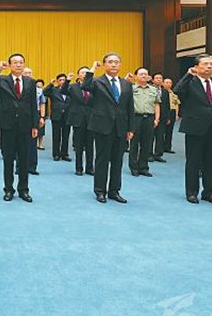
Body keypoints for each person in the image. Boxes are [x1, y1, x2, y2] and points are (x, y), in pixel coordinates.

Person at [175, 54, 212, 205]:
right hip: (195, 127)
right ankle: (192, 192)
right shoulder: (190, 82)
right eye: (205, 64)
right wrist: (188, 75)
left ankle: (209, 193)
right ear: (196, 67)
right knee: (193, 161)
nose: (209, 66)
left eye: (211, 64)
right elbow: (177, 90)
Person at [0, 54, 39, 203]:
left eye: (21, 62)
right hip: (7, 125)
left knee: (24, 159)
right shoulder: (3, 80)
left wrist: (35, 125)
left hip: (25, 125)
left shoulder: (30, 82)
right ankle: (8, 189)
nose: (18, 65)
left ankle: (23, 189)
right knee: (8, 159)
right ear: (10, 65)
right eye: (15, 62)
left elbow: (33, 104)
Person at [85, 55, 134, 204]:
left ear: (120, 65)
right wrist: (92, 69)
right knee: (102, 160)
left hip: (120, 127)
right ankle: (100, 190)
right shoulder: (97, 81)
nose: (113, 65)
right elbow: (85, 86)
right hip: (102, 126)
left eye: (116, 62)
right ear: (104, 65)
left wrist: (130, 128)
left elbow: (130, 107)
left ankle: (114, 191)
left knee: (118, 161)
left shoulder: (126, 84)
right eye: (110, 62)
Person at [128, 67, 160, 178]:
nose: (143, 76)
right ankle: (133, 167)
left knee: (147, 144)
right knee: (134, 144)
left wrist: (157, 119)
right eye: (141, 74)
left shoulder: (153, 89)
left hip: (149, 118)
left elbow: (156, 104)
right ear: (136, 76)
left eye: (145, 74)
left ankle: (143, 167)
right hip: (136, 118)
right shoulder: (131, 89)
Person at [62, 67, 94, 176]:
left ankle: (90, 168)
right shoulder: (73, 87)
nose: (84, 74)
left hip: (91, 119)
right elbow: (63, 91)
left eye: (86, 72)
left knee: (90, 145)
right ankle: (79, 168)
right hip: (77, 119)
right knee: (79, 146)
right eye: (82, 72)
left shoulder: (93, 86)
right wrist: (67, 80)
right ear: (78, 75)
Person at [44, 73, 71, 162]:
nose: (62, 82)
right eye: (60, 80)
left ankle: (64, 154)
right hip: (56, 115)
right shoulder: (53, 90)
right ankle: (56, 154)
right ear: (57, 81)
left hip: (67, 115)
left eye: (64, 80)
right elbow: (44, 92)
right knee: (56, 136)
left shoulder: (70, 90)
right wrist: (50, 84)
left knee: (66, 136)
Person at [24, 69, 46, 176]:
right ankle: (19, 167)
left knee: (33, 142)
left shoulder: (39, 90)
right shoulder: (17, 87)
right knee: (20, 142)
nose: (28, 75)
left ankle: (32, 167)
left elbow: (42, 103)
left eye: (30, 73)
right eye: (26, 73)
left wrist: (42, 117)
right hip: (21, 116)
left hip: (34, 115)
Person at [150, 73, 170, 163]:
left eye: (160, 78)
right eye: (157, 78)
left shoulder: (165, 91)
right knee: (150, 136)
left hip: (163, 117)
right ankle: (149, 154)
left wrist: (168, 117)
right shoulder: (149, 89)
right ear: (153, 80)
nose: (159, 79)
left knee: (160, 136)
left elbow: (167, 105)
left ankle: (158, 155)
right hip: (151, 116)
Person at [163, 78, 179, 153]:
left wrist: (176, 114)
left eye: (170, 82)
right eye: (166, 82)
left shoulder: (173, 93)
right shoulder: (161, 92)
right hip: (164, 112)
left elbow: (176, 104)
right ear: (163, 83)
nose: (168, 84)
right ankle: (160, 147)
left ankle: (167, 147)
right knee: (161, 131)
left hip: (172, 112)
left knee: (170, 131)